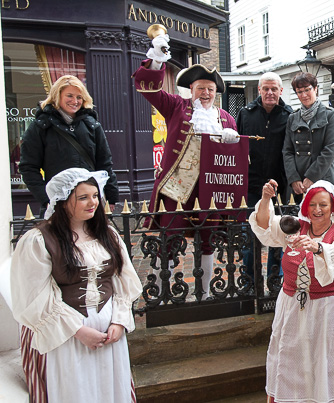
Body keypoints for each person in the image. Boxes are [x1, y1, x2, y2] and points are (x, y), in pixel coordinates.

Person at [10, 168, 142, 402]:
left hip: (109, 337)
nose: (92, 203)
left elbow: (124, 282)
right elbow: (34, 297)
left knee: (109, 391)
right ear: (62, 201)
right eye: (83, 197)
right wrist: (78, 331)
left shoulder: (106, 234)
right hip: (65, 340)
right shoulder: (39, 241)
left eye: (94, 196)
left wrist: (119, 321)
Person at [135, 32, 247, 297]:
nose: (205, 93)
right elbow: (147, 89)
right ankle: (165, 293)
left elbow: (235, 158)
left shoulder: (227, 118)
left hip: (210, 188)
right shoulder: (176, 106)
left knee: (208, 241)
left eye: (210, 89)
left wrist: (233, 141)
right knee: (169, 239)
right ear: (192, 90)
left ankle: (206, 293)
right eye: (200, 88)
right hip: (177, 186)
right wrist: (156, 59)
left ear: (215, 92)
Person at [249, 179, 334, 402]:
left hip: (327, 310)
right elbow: (264, 225)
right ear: (305, 207)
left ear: (332, 208)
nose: (317, 210)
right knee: (292, 361)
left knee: (327, 361)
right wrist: (265, 199)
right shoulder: (294, 228)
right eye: (312, 205)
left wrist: (318, 247)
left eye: (323, 205)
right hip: (292, 308)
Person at [19, 75, 119, 211]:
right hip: (59, 202)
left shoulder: (92, 125)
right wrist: (47, 198)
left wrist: (111, 196)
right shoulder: (41, 126)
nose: (75, 101)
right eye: (69, 96)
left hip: (90, 201)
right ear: (57, 96)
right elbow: (28, 167)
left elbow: (105, 163)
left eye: (79, 97)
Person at [237, 72, 293, 283]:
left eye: (274, 89)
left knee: (278, 234)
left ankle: (274, 280)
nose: (270, 93)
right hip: (251, 185)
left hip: (280, 184)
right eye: (266, 89)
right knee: (250, 235)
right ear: (259, 90)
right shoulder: (245, 114)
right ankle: (249, 281)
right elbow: (237, 148)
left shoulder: (289, 115)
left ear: (281, 90)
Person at [283, 72, 334, 201]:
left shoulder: (330, 115)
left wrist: (311, 177)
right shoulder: (292, 118)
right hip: (298, 184)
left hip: (322, 179)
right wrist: (293, 179)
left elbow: (330, 150)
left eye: (307, 90)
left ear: (315, 89)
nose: (304, 95)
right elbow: (287, 151)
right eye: (299, 91)